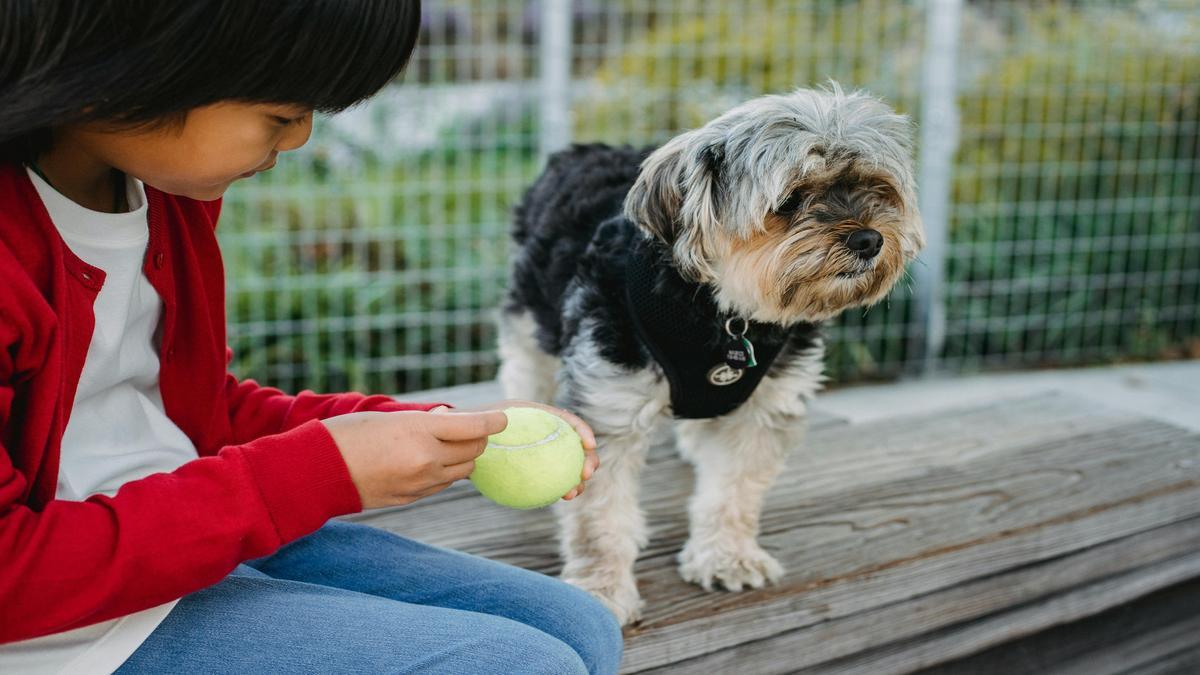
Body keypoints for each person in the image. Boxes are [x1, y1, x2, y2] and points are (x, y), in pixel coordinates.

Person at [0, 1, 623, 672]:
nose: (297, 139)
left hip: (188, 533)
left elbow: (193, 410)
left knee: (580, 624)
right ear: (135, 58)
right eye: (281, 113)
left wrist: (428, 428)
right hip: (58, 624)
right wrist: (310, 475)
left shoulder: (162, 195)